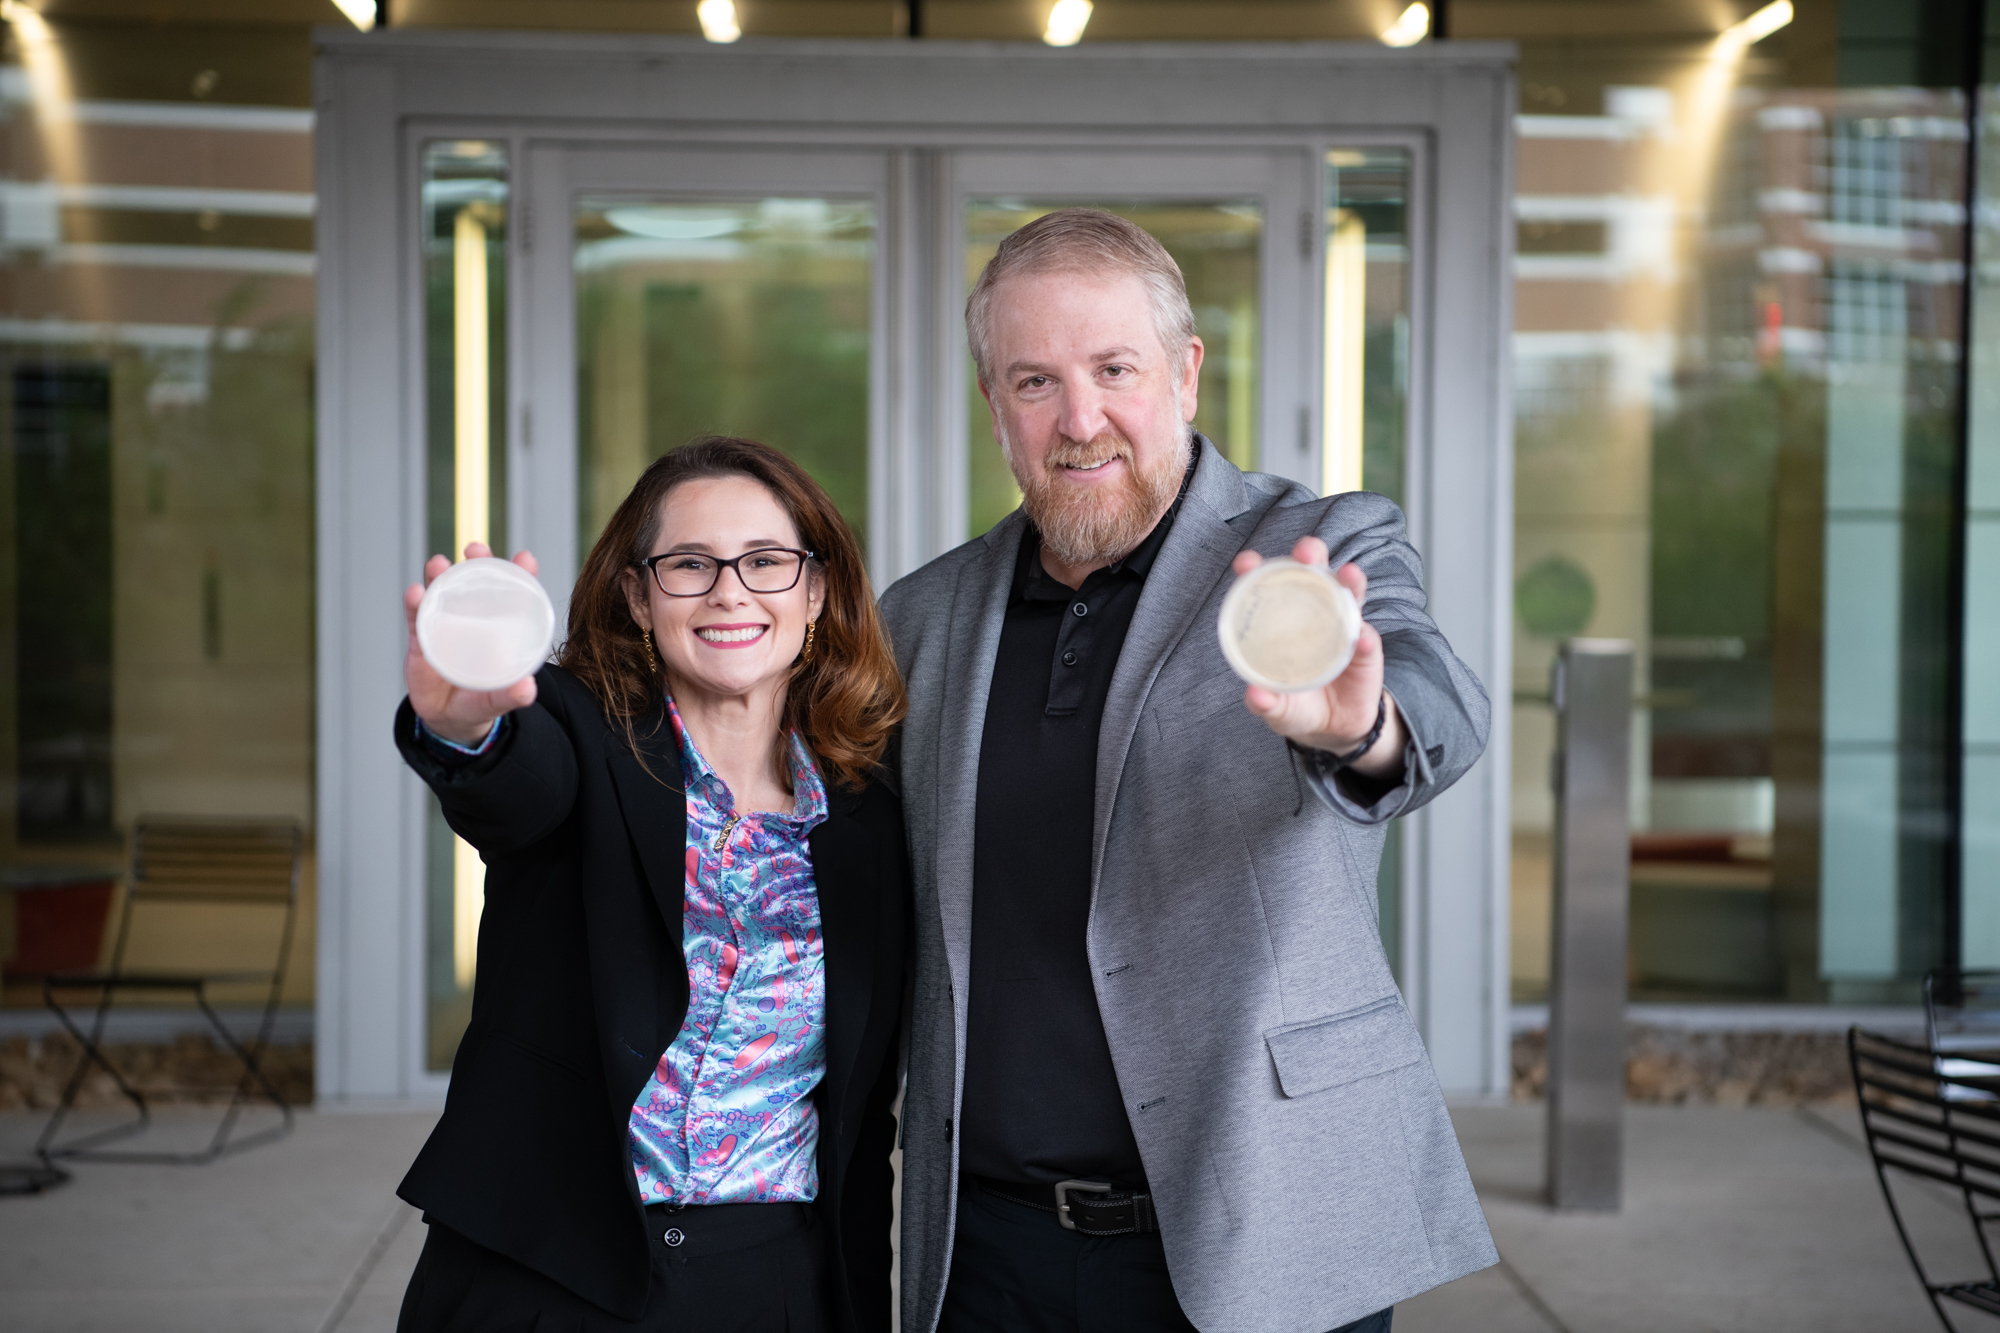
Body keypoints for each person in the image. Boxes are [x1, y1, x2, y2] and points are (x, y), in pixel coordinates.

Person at [880, 209, 1498, 1333]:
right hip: (988, 1247)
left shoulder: (1317, 549)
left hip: (1267, 1218)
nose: (1079, 419)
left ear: (1184, 372)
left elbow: (1432, 697)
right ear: (993, 407)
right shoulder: (922, 617)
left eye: (1114, 368)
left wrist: (1359, 726)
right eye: (1033, 381)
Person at [392, 437, 910, 1333]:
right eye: (688, 565)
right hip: (550, 1268)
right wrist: (463, 722)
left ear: (817, 591)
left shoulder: (871, 803)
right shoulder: (572, 724)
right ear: (637, 595)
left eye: (766, 562)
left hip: (774, 1279)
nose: (730, 591)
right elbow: (514, 790)